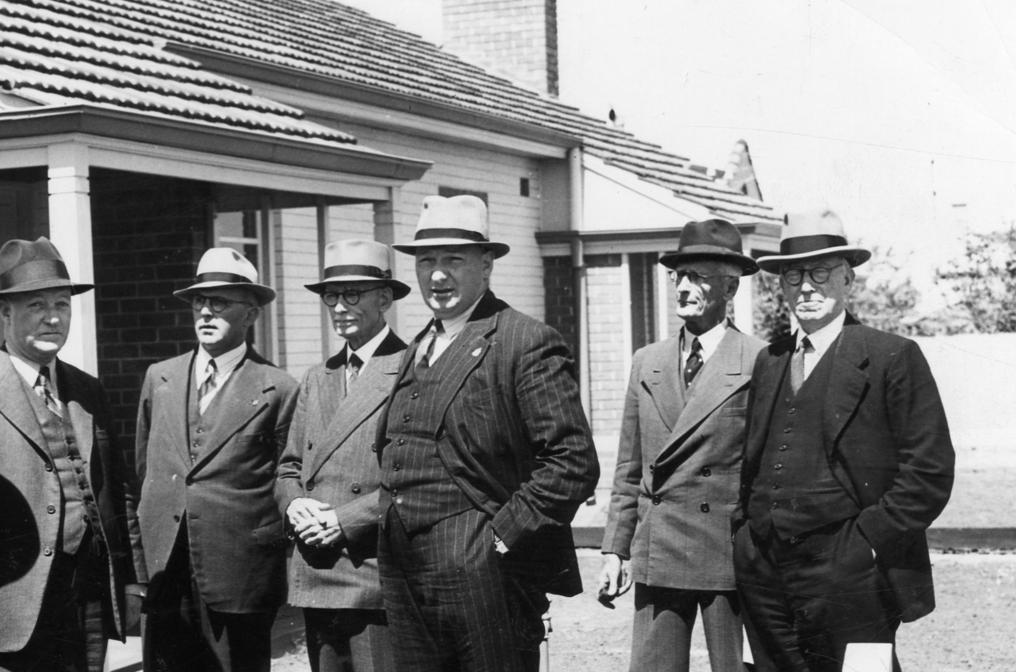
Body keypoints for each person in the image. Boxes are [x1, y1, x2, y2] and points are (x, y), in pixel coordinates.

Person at [375, 195, 599, 672]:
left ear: (487, 264)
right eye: (427, 260)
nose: (437, 275)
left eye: (454, 259)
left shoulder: (522, 340)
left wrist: (499, 538)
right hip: (405, 571)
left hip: (484, 571)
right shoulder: (418, 345)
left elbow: (572, 461)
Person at [734, 209, 955, 672]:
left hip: (851, 570)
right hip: (767, 569)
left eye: (820, 273)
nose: (806, 287)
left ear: (848, 279)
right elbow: (752, 462)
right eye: (793, 276)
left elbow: (929, 470)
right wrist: (746, 540)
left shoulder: (890, 356)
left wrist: (867, 543)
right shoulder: (770, 360)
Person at [0, 237, 144, 672]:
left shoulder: (87, 389)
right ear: (5, 313)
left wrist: (133, 581)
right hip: (4, 604)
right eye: (37, 306)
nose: (53, 318)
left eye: (62, 304)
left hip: (89, 593)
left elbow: (119, 489)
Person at [599, 219, 764, 672]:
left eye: (699, 277)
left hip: (726, 554)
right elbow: (629, 468)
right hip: (659, 547)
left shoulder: (760, 361)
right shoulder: (646, 361)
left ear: (730, 288)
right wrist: (615, 549)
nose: (684, 288)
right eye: (678, 276)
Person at [135, 247, 298, 672]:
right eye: (199, 302)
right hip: (166, 569)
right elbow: (144, 470)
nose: (206, 312)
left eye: (220, 302)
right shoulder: (161, 377)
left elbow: (287, 477)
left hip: (238, 573)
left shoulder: (277, 388)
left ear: (252, 314)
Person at [275, 239, 411, 672]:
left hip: (373, 573)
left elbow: (413, 478)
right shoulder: (319, 377)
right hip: (318, 569)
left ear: (385, 298)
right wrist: (295, 504)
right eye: (331, 296)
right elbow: (289, 466)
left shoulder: (411, 370)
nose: (339, 306)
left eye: (352, 294)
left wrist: (341, 521)